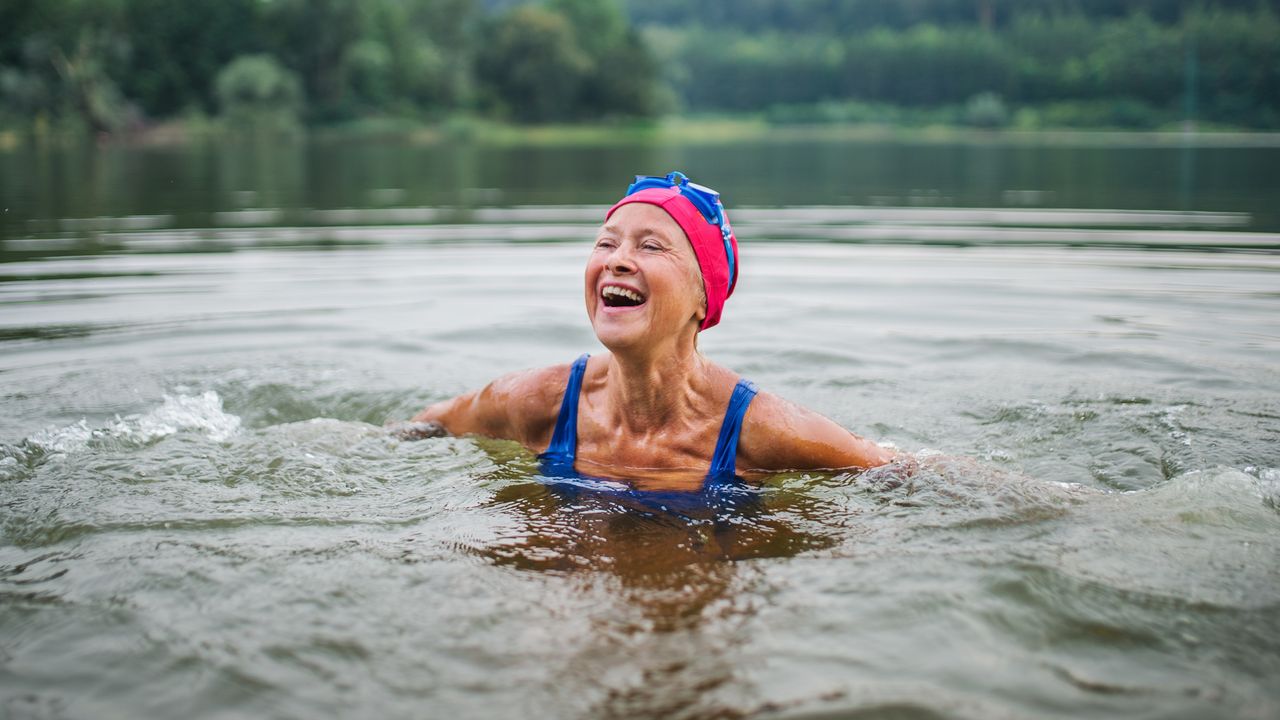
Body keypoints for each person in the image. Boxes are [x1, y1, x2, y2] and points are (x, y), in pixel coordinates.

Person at [401, 171, 904, 493]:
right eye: (606, 243)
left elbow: (897, 469)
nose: (618, 260)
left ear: (704, 296)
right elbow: (430, 424)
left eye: (651, 247)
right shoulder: (540, 402)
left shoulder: (761, 430)